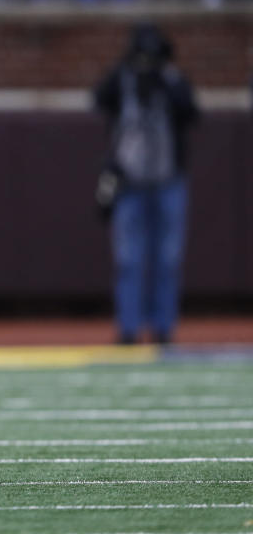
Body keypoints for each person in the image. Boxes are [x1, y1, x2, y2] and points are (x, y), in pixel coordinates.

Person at [94, 24, 199, 344]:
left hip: (168, 182)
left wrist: (166, 79)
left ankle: (163, 328)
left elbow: (192, 112)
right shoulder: (123, 79)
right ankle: (128, 328)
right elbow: (98, 98)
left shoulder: (172, 80)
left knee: (167, 258)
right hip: (130, 184)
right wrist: (126, 68)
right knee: (129, 259)